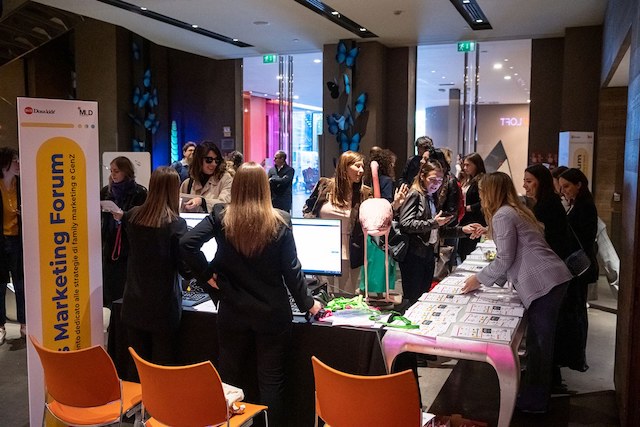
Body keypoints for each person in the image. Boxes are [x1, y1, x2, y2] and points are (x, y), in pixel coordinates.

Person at [180, 162, 322, 426]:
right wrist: (309, 304)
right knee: (271, 381)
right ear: (264, 187)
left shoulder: (221, 216)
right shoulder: (280, 220)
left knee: (230, 379)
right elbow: (292, 271)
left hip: (232, 312)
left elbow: (187, 243)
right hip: (272, 315)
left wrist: (207, 275)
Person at [462, 172, 572, 414]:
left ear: (492, 192)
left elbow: (504, 259)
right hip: (550, 279)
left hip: (544, 283)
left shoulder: (503, 214)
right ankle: (536, 394)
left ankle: (535, 403)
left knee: (540, 345)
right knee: (538, 344)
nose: (481, 197)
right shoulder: (513, 210)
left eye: (483, 192)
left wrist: (477, 280)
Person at [115, 167, 189, 374]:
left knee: (136, 369)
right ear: (174, 190)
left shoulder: (132, 216)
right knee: (162, 370)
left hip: (133, 304)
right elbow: (184, 267)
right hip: (163, 309)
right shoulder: (176, 224)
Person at [302, 151, 371, 295]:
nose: (361, 170)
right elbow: (308, 209)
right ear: (345, 167)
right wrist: (313, 230)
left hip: (350, 250)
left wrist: (395, 205)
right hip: (324, 249)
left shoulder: (364, 193)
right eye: (357, 166)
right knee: (323, 293)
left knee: (346, 295)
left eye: (362, 167)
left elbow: (374, 216)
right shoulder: (324, 185)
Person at [557, 167, 599, 373]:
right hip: (576, 265)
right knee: (575, 311)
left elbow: (582, 238)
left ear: (579, 185)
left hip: (579, 266)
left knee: (577, 311)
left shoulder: (585, 207)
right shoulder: (578, 204)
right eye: (561, 187)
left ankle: (577, 358)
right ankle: (573, 356)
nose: (563, 191)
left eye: (566, 186)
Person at [398, 160, 454, 304]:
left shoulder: (432, 196)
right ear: (422, 176)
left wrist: (463, 231)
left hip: (428, 253)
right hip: (414, 255)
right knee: (413, 298)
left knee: (423, 297)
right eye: (432, 179)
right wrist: (434, 223)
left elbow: (437, 230)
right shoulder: (415, 194)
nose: (436, 184)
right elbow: (405, 223)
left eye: (440, 181)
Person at [100, 156, 147, 307]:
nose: (113, 175)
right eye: (111, 171)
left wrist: (124, 216)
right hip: (110, 242)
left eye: (117, 171)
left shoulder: (139, 192)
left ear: (126, 171)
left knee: (125, 285)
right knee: (110, 285)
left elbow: (142, 219)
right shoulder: (106, 191)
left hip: (129, 245)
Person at [0, 148, 24, 343]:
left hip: (18, 240)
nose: (18, 163)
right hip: (2, 240)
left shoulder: (22, 185)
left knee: (21, 283)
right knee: (0, 285)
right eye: (14, 160)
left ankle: (24, 324)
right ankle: (1, 326)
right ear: (4, 164)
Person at [523, 164, 571, 258]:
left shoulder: (546, 205)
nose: (524, 185)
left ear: (541, 182)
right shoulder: (550, 201)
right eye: (524, 181)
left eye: (529, 181)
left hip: (552, 258)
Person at [180, 141, 232, 213]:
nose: (214, 164)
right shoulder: (188, 183)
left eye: (216, 160)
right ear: (199, 160)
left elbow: (226, 204)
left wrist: (203, 202)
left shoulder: (225, 179)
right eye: (209, 160)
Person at [457, 152, 486, 261]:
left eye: (468, 165)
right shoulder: (468, 179)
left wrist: (468, 208)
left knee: (470, 250)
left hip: (475, 219)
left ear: (476, 165)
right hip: (465, 219)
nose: (465, 168)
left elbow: (484, 201)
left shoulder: (481, 180)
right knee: (463, 250)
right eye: (464, 165)